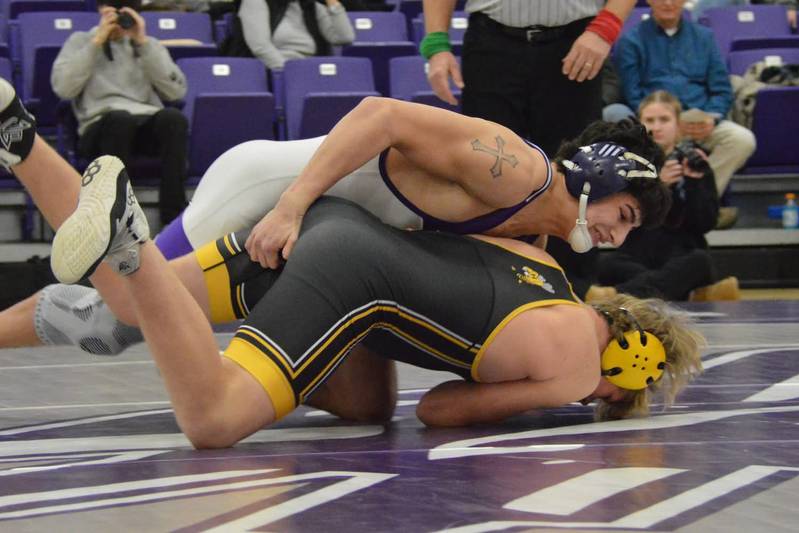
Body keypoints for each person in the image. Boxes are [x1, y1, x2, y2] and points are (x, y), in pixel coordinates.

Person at [47, 154, 704, 448]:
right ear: (627, 368)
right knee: (213, 420)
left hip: (332, 222)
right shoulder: (579, 371)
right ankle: (131, 238)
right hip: (349, 280)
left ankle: (21, 140)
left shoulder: (544, 260)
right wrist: (550, 395)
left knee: (126, 308)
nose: (602, 398)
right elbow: (442, 410)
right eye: (621, 394)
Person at [0, 78, 671, 353]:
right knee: (121, 309)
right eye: (628, 211)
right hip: (270, 186)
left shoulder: (535, 234)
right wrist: (292, 206)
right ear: (604, 176)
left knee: (115, 318)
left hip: (310, 206)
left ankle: (25, 145)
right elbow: (380, 114)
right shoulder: (514, 168)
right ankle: (21, 139)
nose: (622, 231)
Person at [420, 0, 639, 297]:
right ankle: (477, 293)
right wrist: (436, 42)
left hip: (577, 41)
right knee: (479, 170)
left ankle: (570, 295)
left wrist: (606, 28)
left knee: (578, 175)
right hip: (492, 42)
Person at [612, 0, 757, 229]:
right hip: (656, 121)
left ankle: (704, 203)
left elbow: (721, 89)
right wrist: (663, 119)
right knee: (616, 115)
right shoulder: (631, 40)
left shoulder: (705, 38)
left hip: (699, 121)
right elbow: (632, 92)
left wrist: (712, 118)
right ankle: (652, 203)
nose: (668, 3)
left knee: (741, 139)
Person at [588, 90, 740, 302]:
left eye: (664, 120)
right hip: (637, 253)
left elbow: (704, 223)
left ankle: (619, 295)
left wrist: (696, 183)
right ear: (639, 124)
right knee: (607, 264)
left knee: (700, 261)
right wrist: (658, 185)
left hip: (681, 253)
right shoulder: (626, 163)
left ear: (678, 125)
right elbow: (620, 218)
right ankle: (692, 293)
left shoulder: (695, 161)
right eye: (649, 120)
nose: (656, 127)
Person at [50, 0, 189, 225]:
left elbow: (175, 90)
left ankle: (173, 217)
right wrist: (96, 43)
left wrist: (142, 41)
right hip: (100, 126)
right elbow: (64, 88)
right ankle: (120, 217)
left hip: (144, 123)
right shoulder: (80, 41)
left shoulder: (147, 45)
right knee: (120, 120)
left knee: (174, 119)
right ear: (100, 10)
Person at [220, 0, 355, 70]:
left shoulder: (309, 6)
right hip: (275, 71)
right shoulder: (256, 2)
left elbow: (344, 37)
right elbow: (260, 47)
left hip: (311, 69)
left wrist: (333, 3)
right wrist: (290, 73)